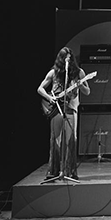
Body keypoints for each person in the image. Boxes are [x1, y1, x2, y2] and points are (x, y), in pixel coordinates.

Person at [37, 47, 91, 180]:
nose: (68, 59)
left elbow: (87, 91)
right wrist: (50, 98)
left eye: (70, 57)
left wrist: (80, 85)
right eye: (65, 57)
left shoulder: (79, 72)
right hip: (56, 109)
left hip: (71, 108)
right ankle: (53, 171)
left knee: (71, 139)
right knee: (55, 139)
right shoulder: (53, 73)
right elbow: (40, 89)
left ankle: (70, 171)